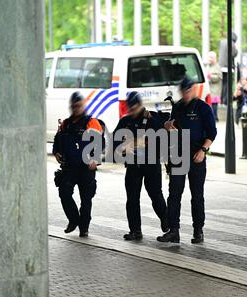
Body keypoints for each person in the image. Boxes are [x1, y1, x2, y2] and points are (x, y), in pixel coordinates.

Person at [157, 78, 217, 244]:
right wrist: (168, 125)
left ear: (194, 90)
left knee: (197, 196)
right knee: (174, 195)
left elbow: (212, 133)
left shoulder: (203, 108)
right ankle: (173, 231)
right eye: (183, 91)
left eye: (188, 90)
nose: (185, 93)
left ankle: (198, 230)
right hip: (178, 155)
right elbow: (172, 126)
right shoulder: (178, 107)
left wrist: (203, 150)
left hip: (196, 157)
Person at [113, 92, 169, 241]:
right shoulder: (125, 121)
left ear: (140, 105)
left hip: (151, 164)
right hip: (133, 165)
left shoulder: (153, 118)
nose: (132, 110)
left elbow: (164, 135)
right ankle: (135, 230)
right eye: (130, 107)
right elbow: (114, 142)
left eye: (135, 107)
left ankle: (166, 221)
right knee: (132, 199)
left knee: (156, 195)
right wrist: (123, 148)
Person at [53, 92, 103, 238]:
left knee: (86, 199)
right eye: (74, 106)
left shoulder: (91, 122)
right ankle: (74, 220)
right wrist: (56, 152)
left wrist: (95, 159)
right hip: (69, 168)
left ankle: (84, 228)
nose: (76, 108)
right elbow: (57, 141)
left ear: (83, 106)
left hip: (86, 168)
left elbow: (100, 142)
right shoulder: (66, 124)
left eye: (79, 105)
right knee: (64, 193)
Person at [219, 32, 239, 106]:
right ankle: (225, 101)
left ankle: (221, 100)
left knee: (223, 84)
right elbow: (234, 54)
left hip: (221, 67)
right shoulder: (232, 44)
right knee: (228, 85)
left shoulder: (222, 42)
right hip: (228, 67)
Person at [205, 51, 223, 122]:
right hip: (209, 88)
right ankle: (212, 117)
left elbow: (219, 77)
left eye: (211, 58)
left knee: (214, 104)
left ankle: (215, 117)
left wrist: (210, 77)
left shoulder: (217, 66)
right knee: (209, 104)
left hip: (215, 89)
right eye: (209, 57)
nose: (210, 59)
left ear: (214, 58)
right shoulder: (207, 66)